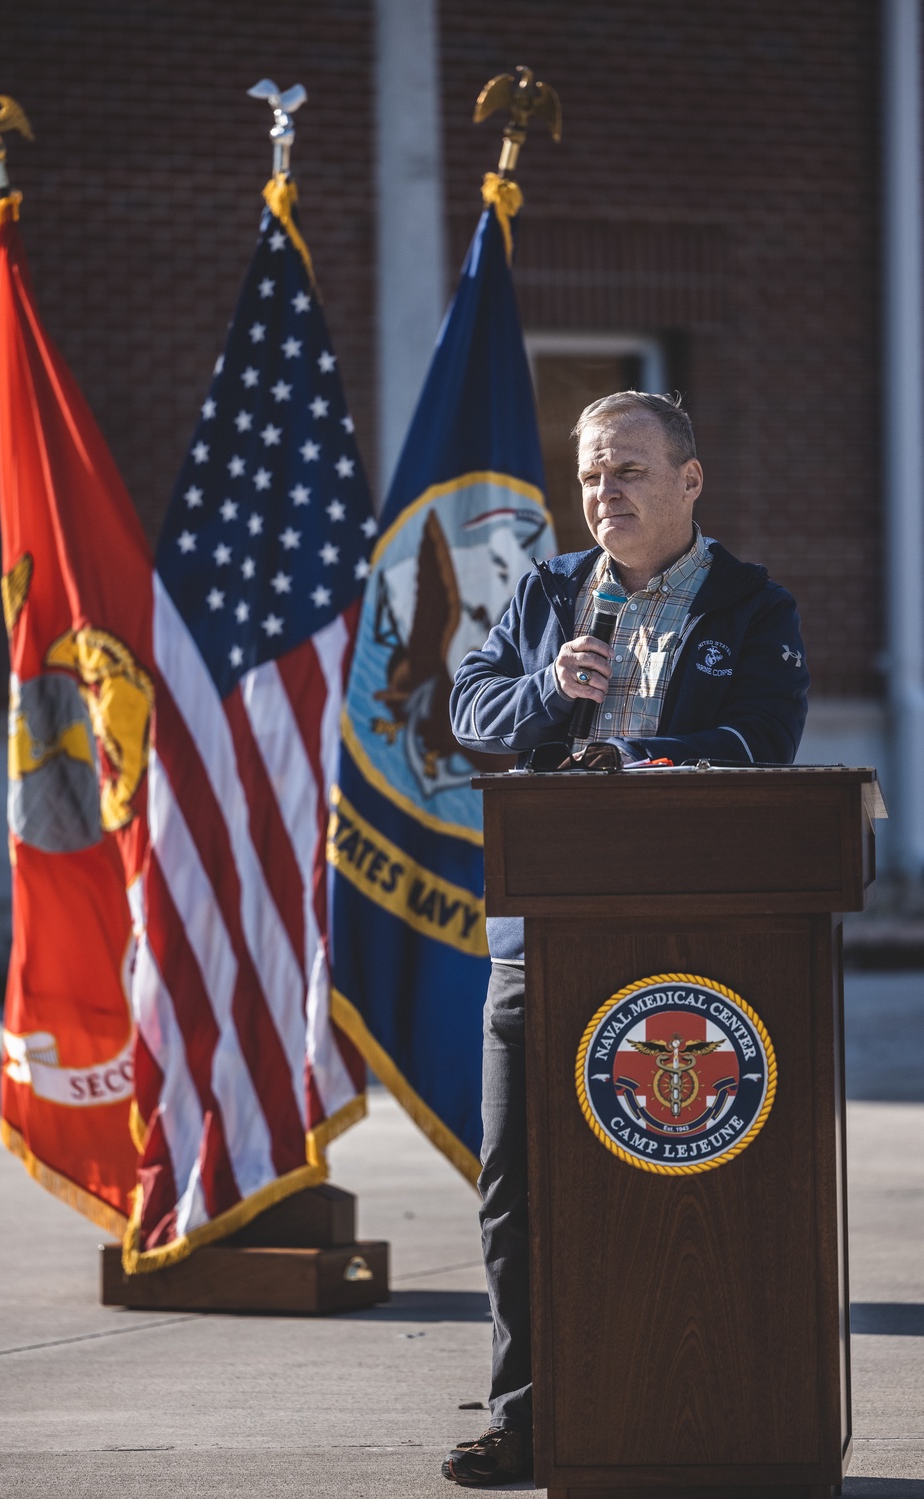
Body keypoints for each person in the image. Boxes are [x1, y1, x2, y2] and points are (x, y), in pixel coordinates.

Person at [441, 391, 809, 1487]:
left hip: (695, 943)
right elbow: (470, 707)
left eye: (632, 471)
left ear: (690, 481)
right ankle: (528, 1419)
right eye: (594, 474)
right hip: (540, 933)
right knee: (515, 1184)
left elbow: (762, 738)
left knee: (684, 1184)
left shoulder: (752, 604)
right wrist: (549, 694)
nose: (607, 494)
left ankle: (696, 1402)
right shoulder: (553, 591)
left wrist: (639, 765)